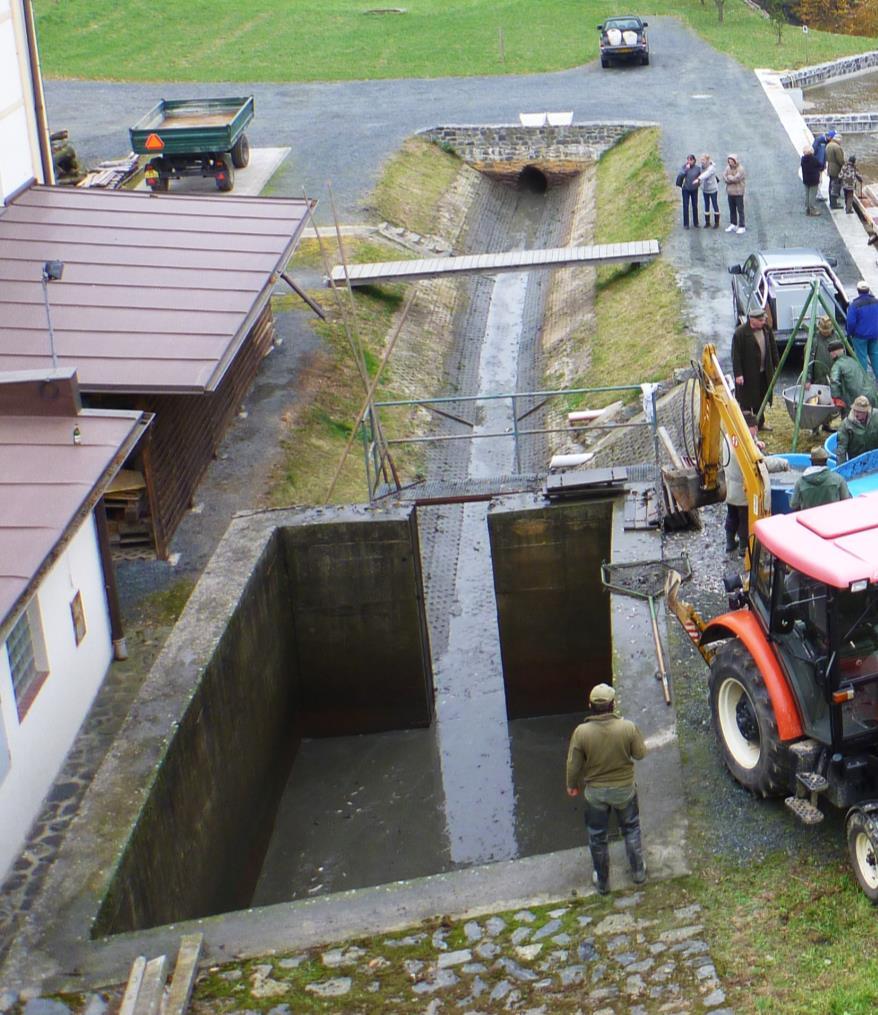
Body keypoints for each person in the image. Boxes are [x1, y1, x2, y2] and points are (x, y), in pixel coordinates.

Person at [566, 683, 646, 895]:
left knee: (597, 836)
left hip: (596, 794)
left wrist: (572, 785)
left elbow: (573, 764)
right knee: (631, 828)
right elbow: (640, 754)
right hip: (624, 790)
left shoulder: (581, 732)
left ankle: (603, 883)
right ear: (612, 705)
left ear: (590, 705)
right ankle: (638, 872)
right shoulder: (627, 727)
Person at [724, 411, 789, 554]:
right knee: (744, 519)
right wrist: (783, 464)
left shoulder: (730, 435)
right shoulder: (744, 446)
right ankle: (743, 547)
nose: (757, 430)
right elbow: (761, 463)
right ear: (746, 427)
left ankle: (729, 542)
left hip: (730, 486)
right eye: (754, 427)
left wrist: (755, 442)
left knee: (732, 515)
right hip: (743, 489)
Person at [732, 305, 779, 429]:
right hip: (747, 375)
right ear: (752, 320)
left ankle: (760, 422)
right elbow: (735, 356)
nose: (764, 322)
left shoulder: (766, 330)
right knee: (746, 401)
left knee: (761, 398)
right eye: (761, 320)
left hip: (763, 372)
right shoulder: (740, 333)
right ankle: (746, 426)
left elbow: (773, 348)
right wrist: (738, 374)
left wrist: (777, 364)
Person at [828, 338, 878, 412]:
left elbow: (834, 381)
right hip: (872, 395)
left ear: (833, 353)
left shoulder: (837, 365)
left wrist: (836, 398)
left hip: (860, 400)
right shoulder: (853, 360)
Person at [846, 280, 878, 378]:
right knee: (875, 357)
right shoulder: (876, 302)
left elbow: (851, 322)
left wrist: (849, 333)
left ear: (858, 290)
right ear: (868, 290)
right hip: (875, 335)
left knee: (861, 359)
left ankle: (863, 382)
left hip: (860, 337)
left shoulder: (855, 305)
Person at [836, 394, 878, 464]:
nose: (857, 414)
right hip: (857, 462)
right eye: (856, 411)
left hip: (875, 458)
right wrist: (841, 468)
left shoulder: (876, 417)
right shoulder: (846, 425)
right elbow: (841, 449)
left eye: (861, 412)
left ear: (867, 411)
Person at [723, 154, 747, 234]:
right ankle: (733, 224)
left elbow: (736, 179)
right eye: (729, 161)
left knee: (740, 210)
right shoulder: (728, 168)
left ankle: (742, 226)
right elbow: (724, 176)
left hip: (738, 192)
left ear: (735, 161)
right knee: (732, 209)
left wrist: (729, 177)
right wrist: (729, 178)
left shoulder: (741, 169)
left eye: (731, 161)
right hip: (730, 192)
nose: (730, 163)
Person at [696, 153, 720, 229]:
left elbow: (706, 174)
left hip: (712, 189)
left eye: (703, 160)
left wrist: (699, 179)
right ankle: (707, 222)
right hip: (705, 189)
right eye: (701, 160)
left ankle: (716, 222)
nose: (701, 161)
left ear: (707, 160)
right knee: (706, 205)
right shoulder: (701, 167)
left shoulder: (712, 168)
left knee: (714, 204)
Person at [678, 154, 701, 229]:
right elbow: (680, 175)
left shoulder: (697, 168)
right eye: (688, 160)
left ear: (694, 160)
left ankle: (696, 222)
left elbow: (701, 177)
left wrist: (698, 183)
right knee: (685, 206)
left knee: (695, 205)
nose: (689, 161)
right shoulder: (684, 167)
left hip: (694, 189)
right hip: (686, 189)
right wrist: (686, 170)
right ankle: (686, 224)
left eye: (691, 160)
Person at [800, 145, 823, 217]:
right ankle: (812, 210)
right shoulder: (814, 159)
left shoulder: (803, 159)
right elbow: (820, 166)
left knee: (807, 194)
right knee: (812, 195)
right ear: (811, 152)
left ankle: (807, 209)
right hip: (813, 180)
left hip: (806, 179)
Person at [825, 132, 845, 210]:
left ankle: (832, 202)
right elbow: (840, 160)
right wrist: (844, 165)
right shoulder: (837, 147)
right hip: (836, 169)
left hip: (829, 167)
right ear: (838, 139)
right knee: (835, 186)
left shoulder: (828, 145)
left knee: (831, 185)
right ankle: (834, 204)